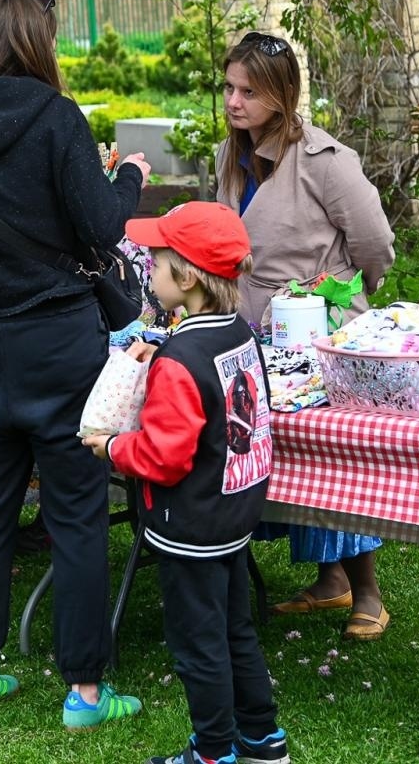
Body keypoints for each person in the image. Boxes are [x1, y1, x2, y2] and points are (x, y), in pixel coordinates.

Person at [0, 0, 149, 728]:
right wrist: (130, 174)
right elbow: (105, 224)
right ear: (40, 44)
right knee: (76, 515)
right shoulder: (56, 117)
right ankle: (83, 692)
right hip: (61, 342)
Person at [82, 202, 289, 764]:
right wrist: (164, 352)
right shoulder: (236, 331)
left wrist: (111, 446)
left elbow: (164, 456)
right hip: (234, 510)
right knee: (235, 631)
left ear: (189, 276)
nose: (147, 268)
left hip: (189, 523)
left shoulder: (180, 358)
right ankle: (262, 740)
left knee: (199, 647)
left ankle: (213, 752)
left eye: (156, 260)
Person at [214, 31, 396, 642]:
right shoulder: (229, 157)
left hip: (316, 332)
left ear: (282, 96)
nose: (234, 102)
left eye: (249, 92)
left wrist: (342, 297)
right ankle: (330, 579)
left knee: (331, 456)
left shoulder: (325, 160)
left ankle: (366, 587)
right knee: (277, 451)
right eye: (230, 88)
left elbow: (375, 244)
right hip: (249, 329)